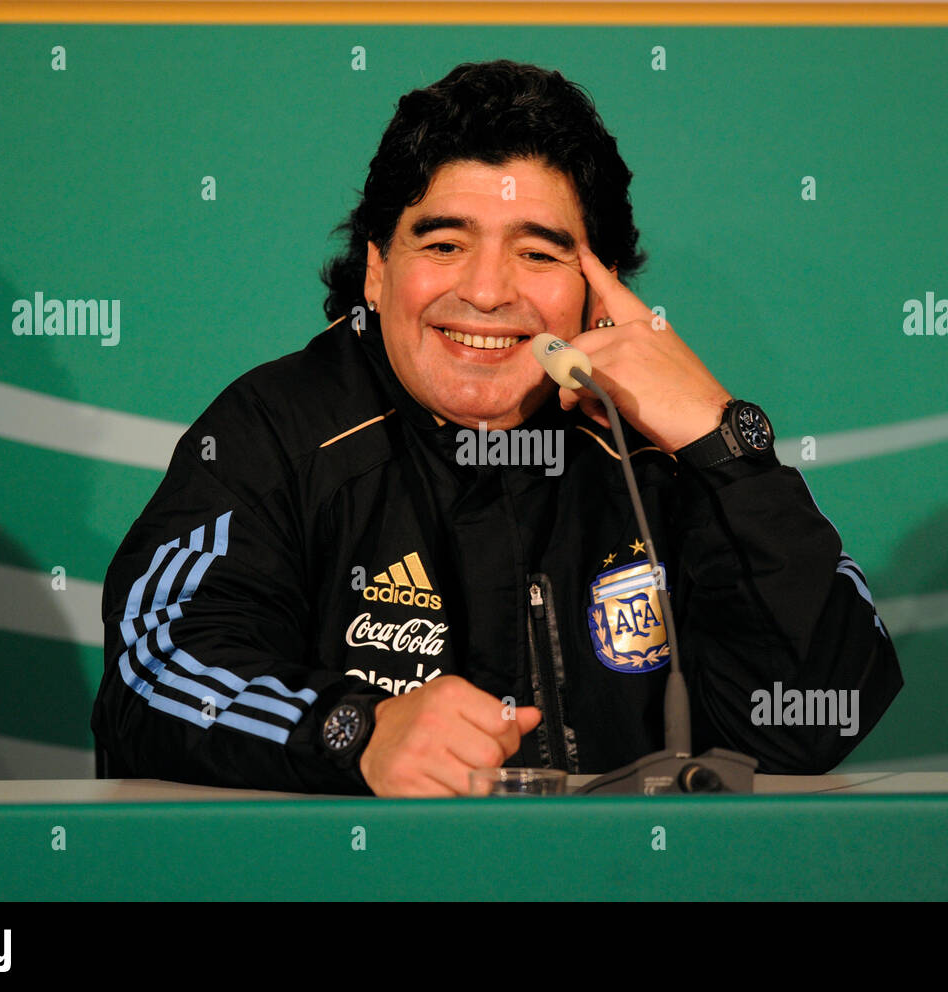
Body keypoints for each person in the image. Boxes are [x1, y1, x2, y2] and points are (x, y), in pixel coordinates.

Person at [91, 59, 903, 797]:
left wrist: (724, 442)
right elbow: (153, 677)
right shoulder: (274, 429)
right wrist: (354, 732)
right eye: (444, 243)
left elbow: (813, 719)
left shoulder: (655, 451)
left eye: (539, 255)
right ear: (377, 267)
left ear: (603, 289)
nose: (485, 292)